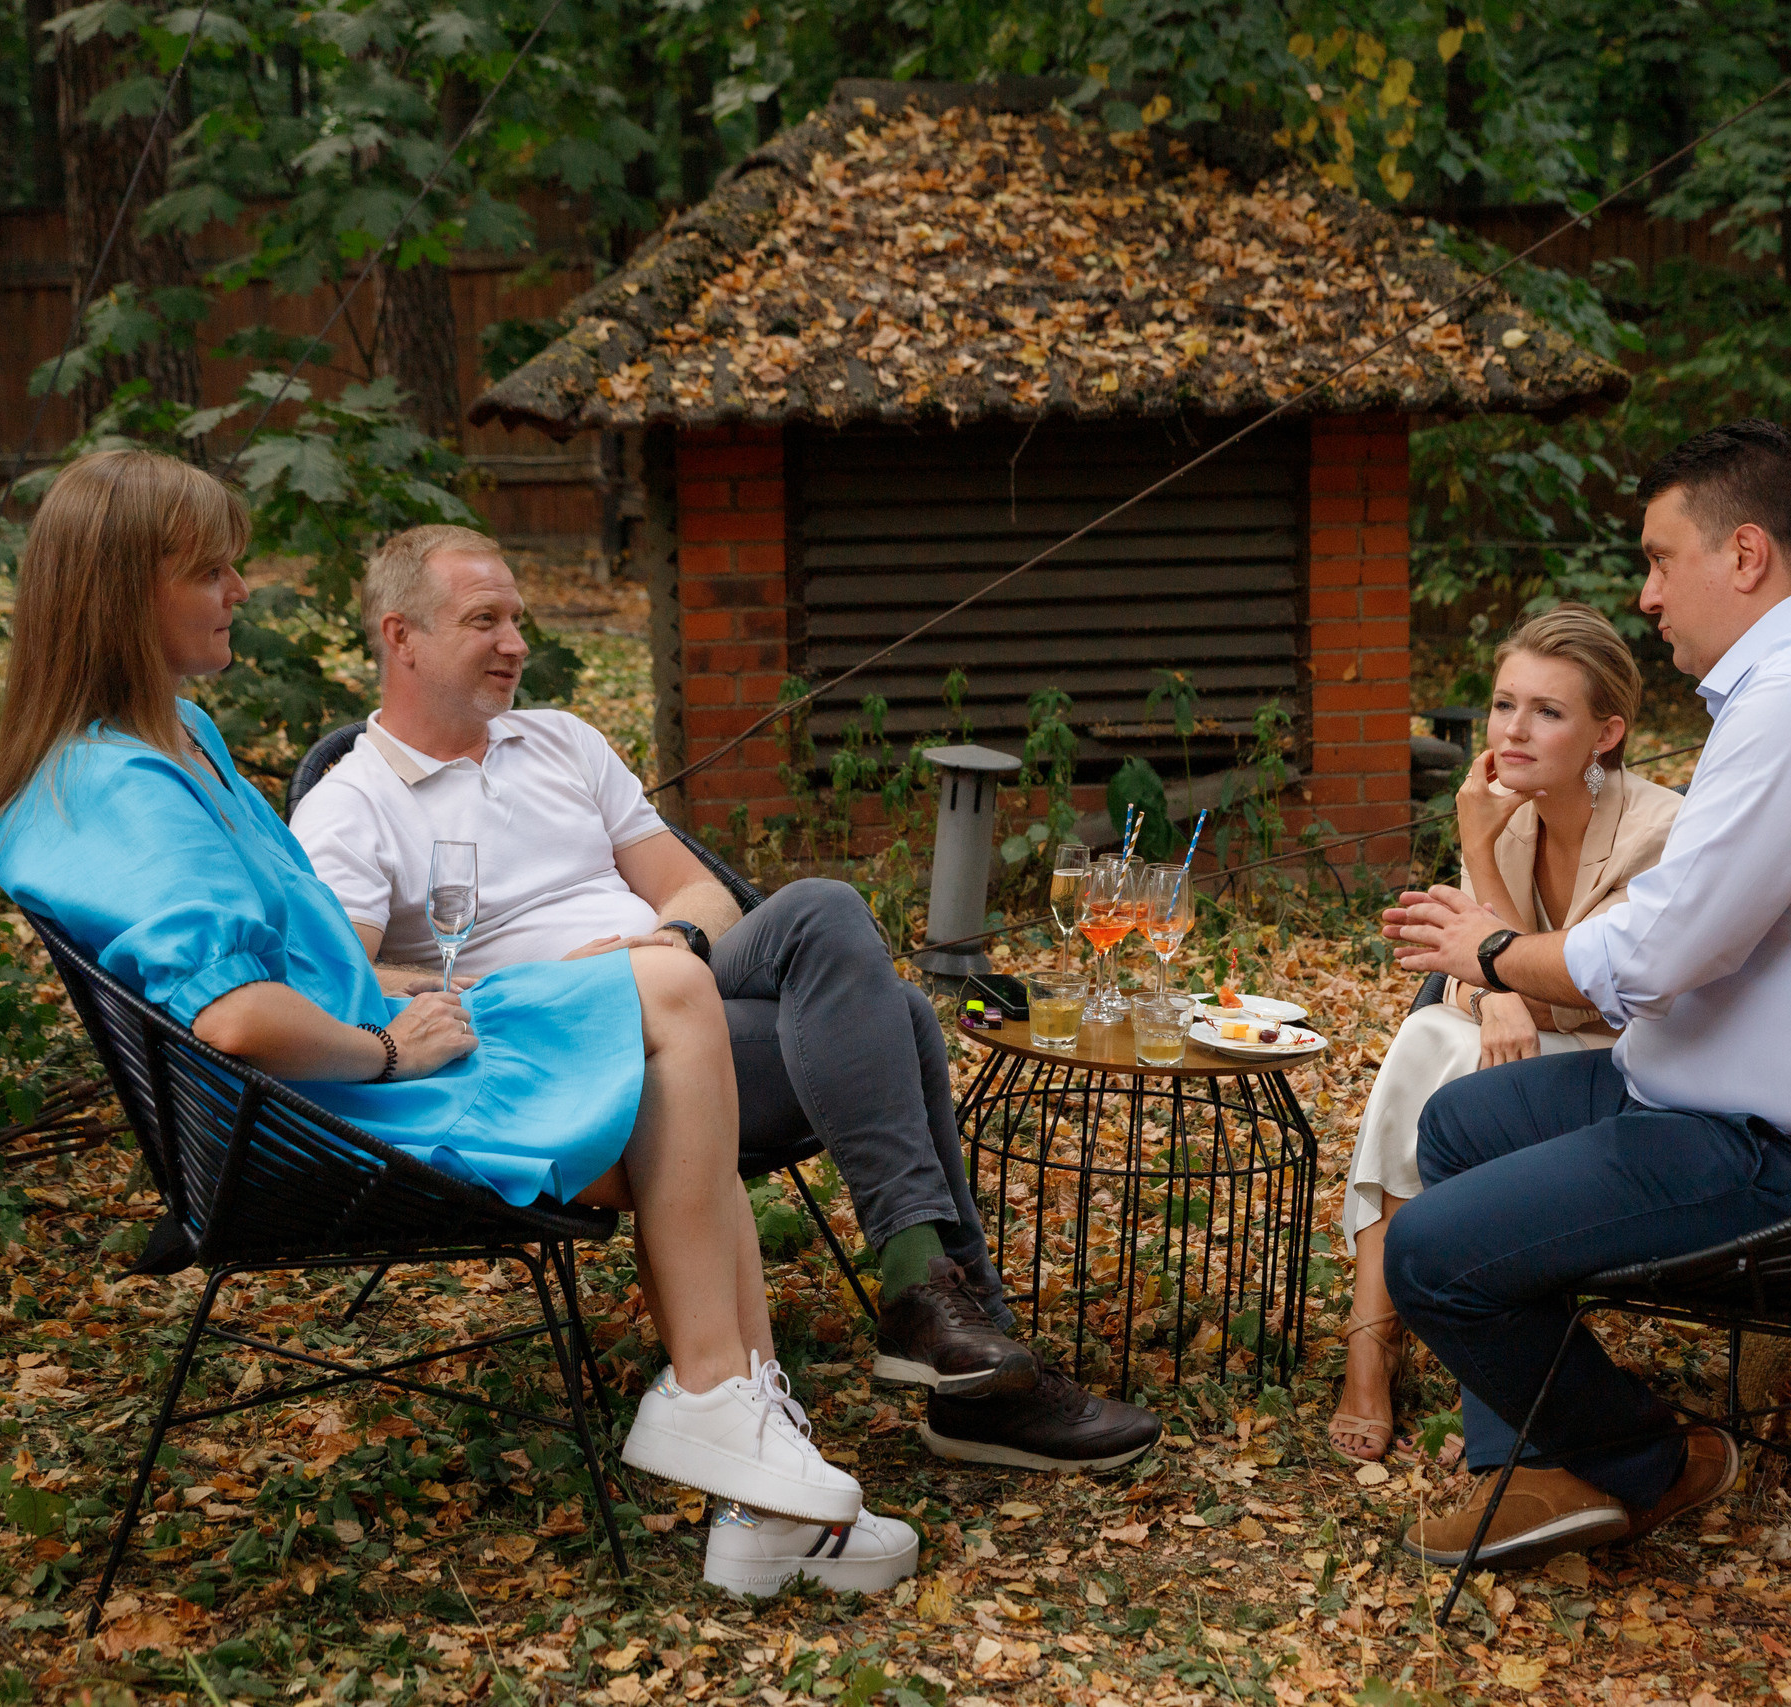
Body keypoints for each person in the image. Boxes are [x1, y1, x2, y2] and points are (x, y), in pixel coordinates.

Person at [0, 450, 921, 1600]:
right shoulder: (118, 788)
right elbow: (231, 1018)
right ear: (126, 593)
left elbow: (301, 957)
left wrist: (402, 1009)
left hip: (359, 1062)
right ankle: (728, 1421)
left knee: (677, 1012)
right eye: (212, 571)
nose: (241, 590)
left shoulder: (178, 740)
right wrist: (390, 1043)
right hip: (322, 1115)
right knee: (677, 1031)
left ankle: (748, 1453)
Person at [287, 524, 1160, 1474]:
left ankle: (946, 1325)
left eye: (518, 620)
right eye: (484, 621)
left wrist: (668, 947)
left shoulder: (560, 743)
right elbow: (344, 981)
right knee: (902, 1016)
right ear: (400, 636)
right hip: (572, 1058)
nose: (515, 644)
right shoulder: (352, 803)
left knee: (823, 914)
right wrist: (533, 984)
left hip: (680, 999)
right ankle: (962, 1337)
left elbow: (696, 890)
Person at [1377, 420, 1791, 1567]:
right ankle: (1544, 1468)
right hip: (1728, 1101)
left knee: (1430, 1259)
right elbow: (1695, 937)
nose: (1648, 596)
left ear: (1744, 554)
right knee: (1457, 1122)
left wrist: (1497, 952)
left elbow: (1655, 954)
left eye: (1661, 559)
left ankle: (1644, 1463)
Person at [1330, 605, 1679, 1463]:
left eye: (1547, 711)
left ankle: (1408, 1349)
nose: (1513, 731)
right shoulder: (1506, 811)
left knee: (1436, 1046)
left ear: (1607, 732)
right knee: (1433, 1040)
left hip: (1622, 1078)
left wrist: (1493, 970)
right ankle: (1380, 1348)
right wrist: (1494, 989)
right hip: (1520, 1055)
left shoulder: (1659, 833)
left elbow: (1611, 995)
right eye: (1503, 704)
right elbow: (1470, 960)